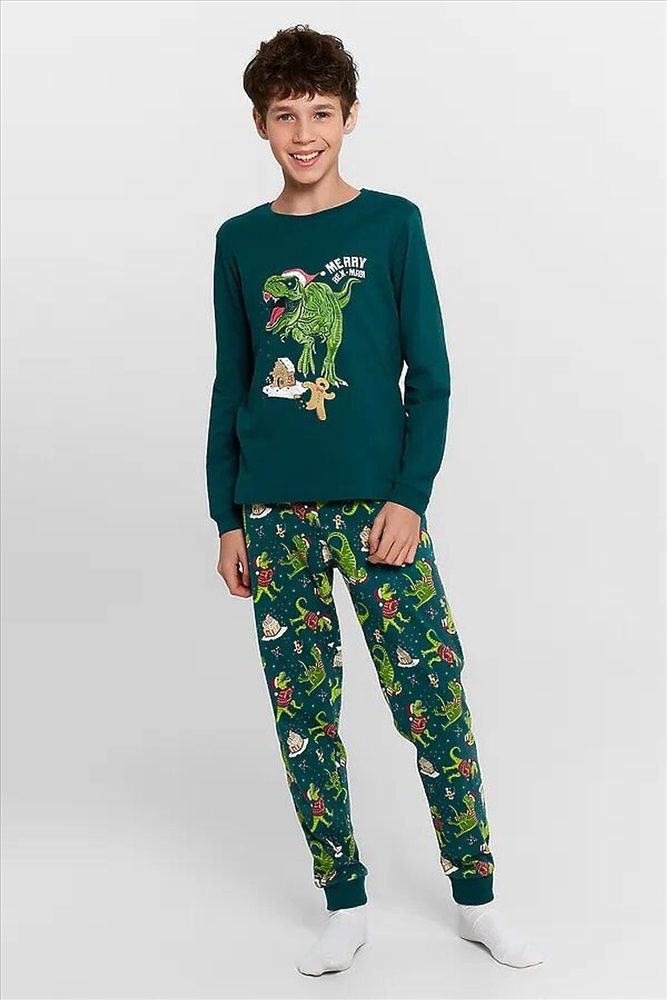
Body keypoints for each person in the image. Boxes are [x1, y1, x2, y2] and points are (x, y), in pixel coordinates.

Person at [205, 24, 542, 976]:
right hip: (273, 517)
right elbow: (231, 383)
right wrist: (226, 516)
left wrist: (409, 498)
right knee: (304, 717)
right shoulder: (241, 241)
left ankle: (475, 897)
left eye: (320, 112)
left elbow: (427, 376)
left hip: (377, 515)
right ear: (260, 125)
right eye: (285, 115)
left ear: (350, 117)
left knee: (433, 699)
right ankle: (343, 903)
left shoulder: (392, 224)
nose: (303, 132)